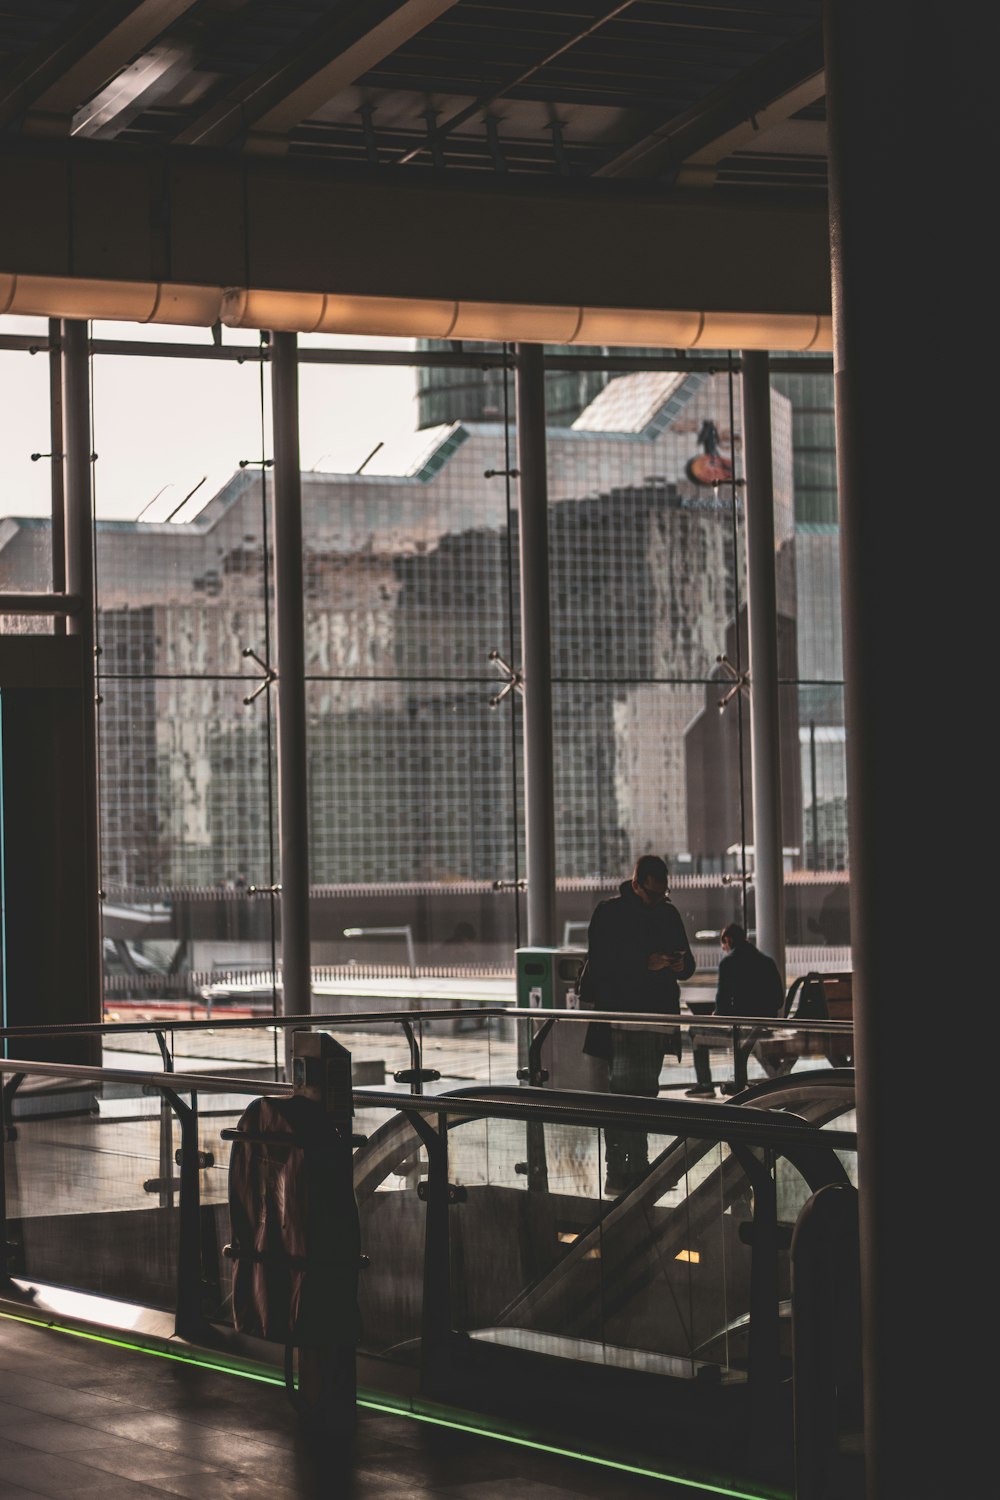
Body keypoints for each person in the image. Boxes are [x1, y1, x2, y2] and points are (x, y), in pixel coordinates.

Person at [585, 854, 696, 1194]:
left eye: (663, 894)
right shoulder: (611, 913)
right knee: (629, 1094)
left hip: (651, 1019)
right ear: (636, 885)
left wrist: (680, 966)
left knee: (641, 1093)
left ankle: (630, 1167)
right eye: (652, 894)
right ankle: (623, 1168)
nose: (658, 900)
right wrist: (643, 963)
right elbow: (600, 963)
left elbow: (688, 962)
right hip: (626, 1019)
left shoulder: (662, 912)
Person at [686, 922, 785, 1097]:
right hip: (763, 1027)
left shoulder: (728, 963)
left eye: (723, 944)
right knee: (750, 1042)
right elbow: (778, 1000)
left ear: (729, 940)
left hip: (739, 1029)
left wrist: (716, 1015)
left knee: (694, 1031)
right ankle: (770, 1079)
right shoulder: (767, 962)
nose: (724, 949)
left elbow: (723, 1005)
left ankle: (705, 1084)